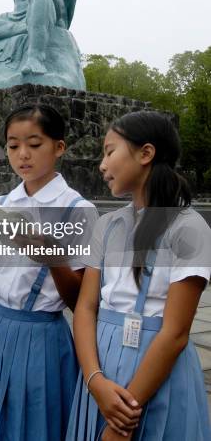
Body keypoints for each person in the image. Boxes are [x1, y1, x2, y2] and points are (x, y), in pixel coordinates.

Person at [0, 104, 98, 440]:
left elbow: (79, 301)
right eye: (13, 145)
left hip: (43, 336)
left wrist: (50, 256)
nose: (23, 155)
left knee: (34, 426)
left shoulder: (79, 211)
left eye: (34, 145)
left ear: (59, 147)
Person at [65, 110, 211, 441]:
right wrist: (94, 381)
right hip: (100, 364)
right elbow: (86, 307)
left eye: (109, 150)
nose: (102, 165)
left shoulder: (188, 227)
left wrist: (121, 420)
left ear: (146, 153)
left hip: (157, 374)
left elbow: (175, 332)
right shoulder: (108, 225)